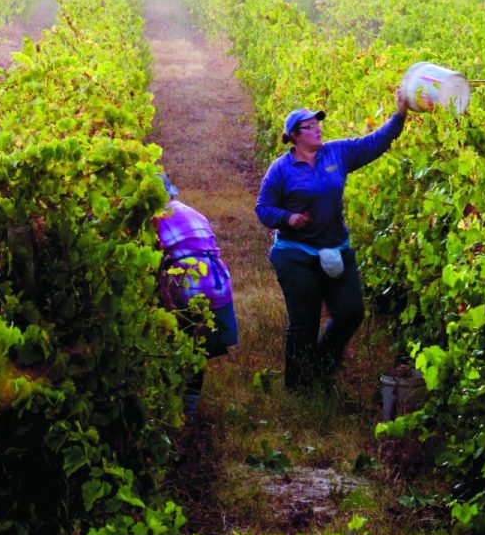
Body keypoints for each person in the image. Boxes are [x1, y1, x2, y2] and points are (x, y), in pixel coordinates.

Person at [255, 91, 413, 392]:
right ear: (294, 137)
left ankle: (322, 367)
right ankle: (300, 387)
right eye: (310, 125)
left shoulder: (336, 153)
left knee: (351, 312)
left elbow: (374, 143)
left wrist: (400, 115)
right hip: (295, 254)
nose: (318, 128)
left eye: (318, 123)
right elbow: (262, 208)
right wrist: (287, 219)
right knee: (304, 323)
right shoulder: (281, 169)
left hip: (334, 248)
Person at [154, 174, 237, 415]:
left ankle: (172, 410)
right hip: (216, 279)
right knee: (195, 346)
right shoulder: (190, 211)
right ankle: (187, 411)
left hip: (187, 282)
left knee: (175, 341)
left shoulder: (153, 218)